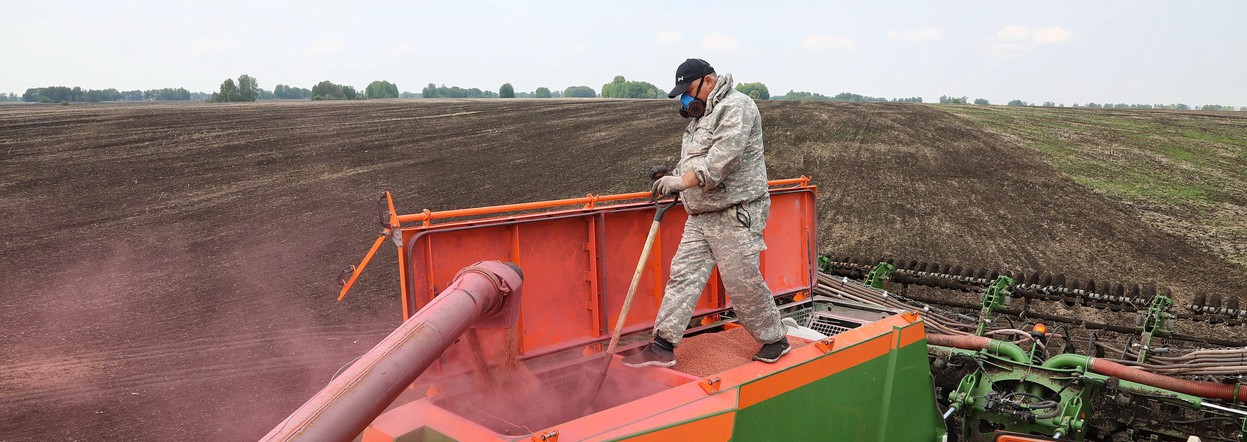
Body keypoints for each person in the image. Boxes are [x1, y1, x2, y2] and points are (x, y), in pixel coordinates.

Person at [621, 58, 789, 368]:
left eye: (688, 92)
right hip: (700, 214)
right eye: (682, 95)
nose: (686, 100)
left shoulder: (737, 106)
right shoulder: (700, 119)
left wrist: (681, 182)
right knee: (683, 276)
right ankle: (663, 345)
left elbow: (720, 161)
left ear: (708, 82)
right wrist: (670, 176)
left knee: (743, 284)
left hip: (734, 212)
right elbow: (695, 161)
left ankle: (774, 338)